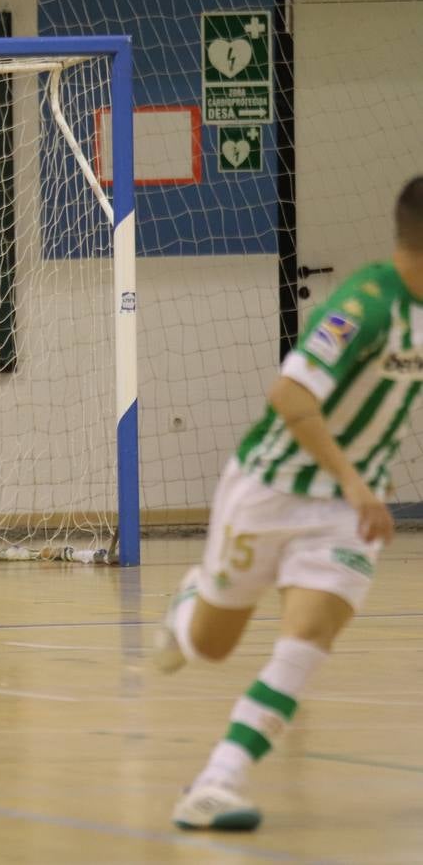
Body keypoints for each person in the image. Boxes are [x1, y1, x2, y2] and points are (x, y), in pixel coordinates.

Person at [155, 175, 423, 831]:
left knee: (306, 638)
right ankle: (190, 605)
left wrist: (357, 488)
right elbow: (289, 396)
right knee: (211, 646)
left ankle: (217, 782)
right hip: (270, 491)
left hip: (343, 514)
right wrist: (358, 481)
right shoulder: (367, 303)